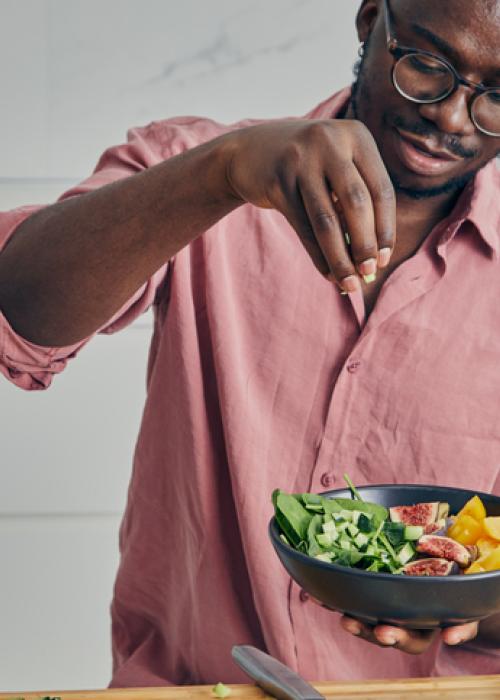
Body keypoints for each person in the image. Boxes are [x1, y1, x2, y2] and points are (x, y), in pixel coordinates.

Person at [1, 0, 500, 686]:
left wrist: (465, 602)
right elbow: (19, 315)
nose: (449, 118)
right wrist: (219, 176)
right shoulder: (197, 169)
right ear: (370, 19)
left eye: (498, 96)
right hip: (186, 685)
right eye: (426, 65)